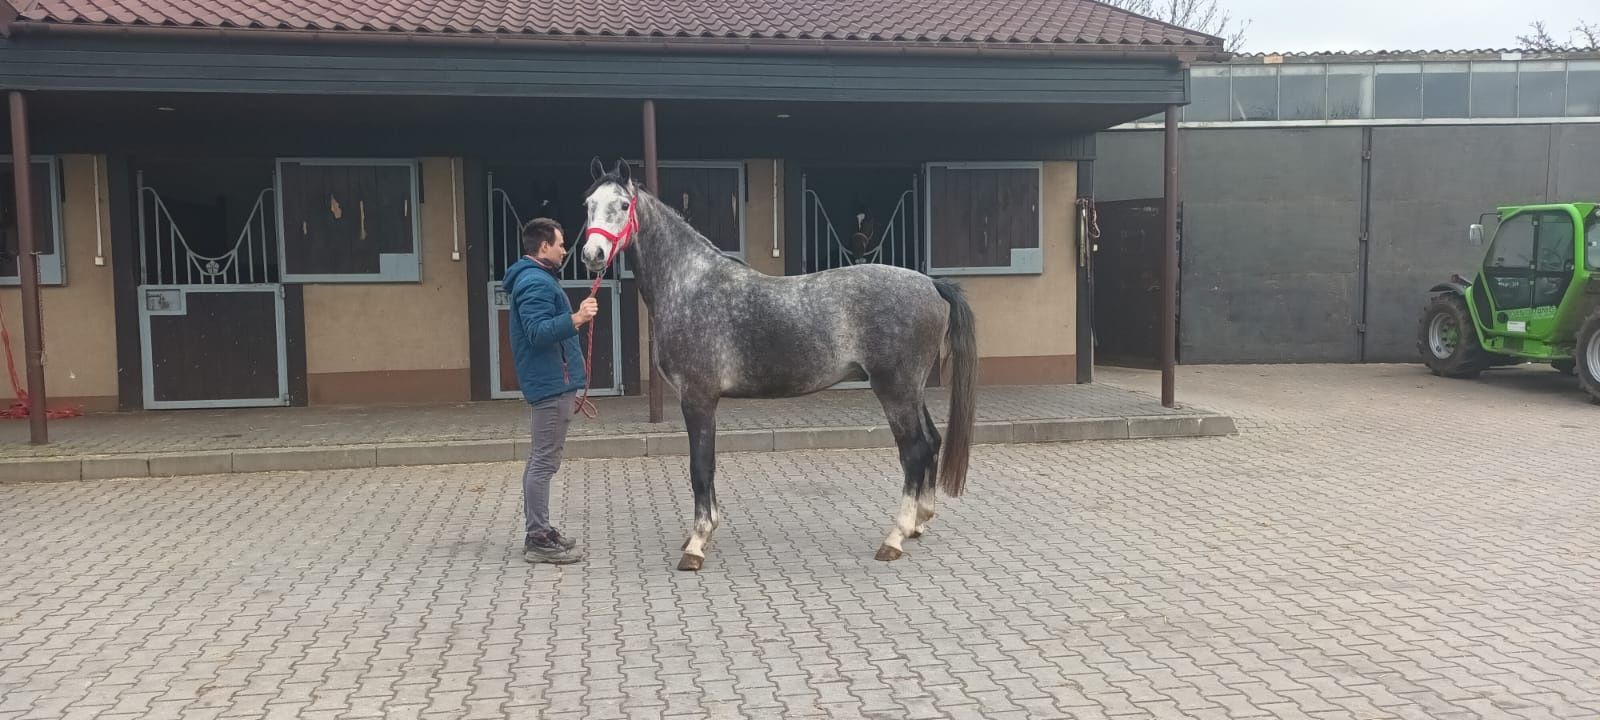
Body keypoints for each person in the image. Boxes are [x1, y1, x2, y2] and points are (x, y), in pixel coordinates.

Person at [503, 217, 598, 565]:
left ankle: (540, 529)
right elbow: (538, 332)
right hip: (550, 385)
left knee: (540, 460)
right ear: (544, 247)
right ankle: (538, 539)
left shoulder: (535, 278)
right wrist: (576, 318)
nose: (564, 249)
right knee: (544, 462)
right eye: (560, 243)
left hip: (552, 382)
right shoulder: (536, 283)